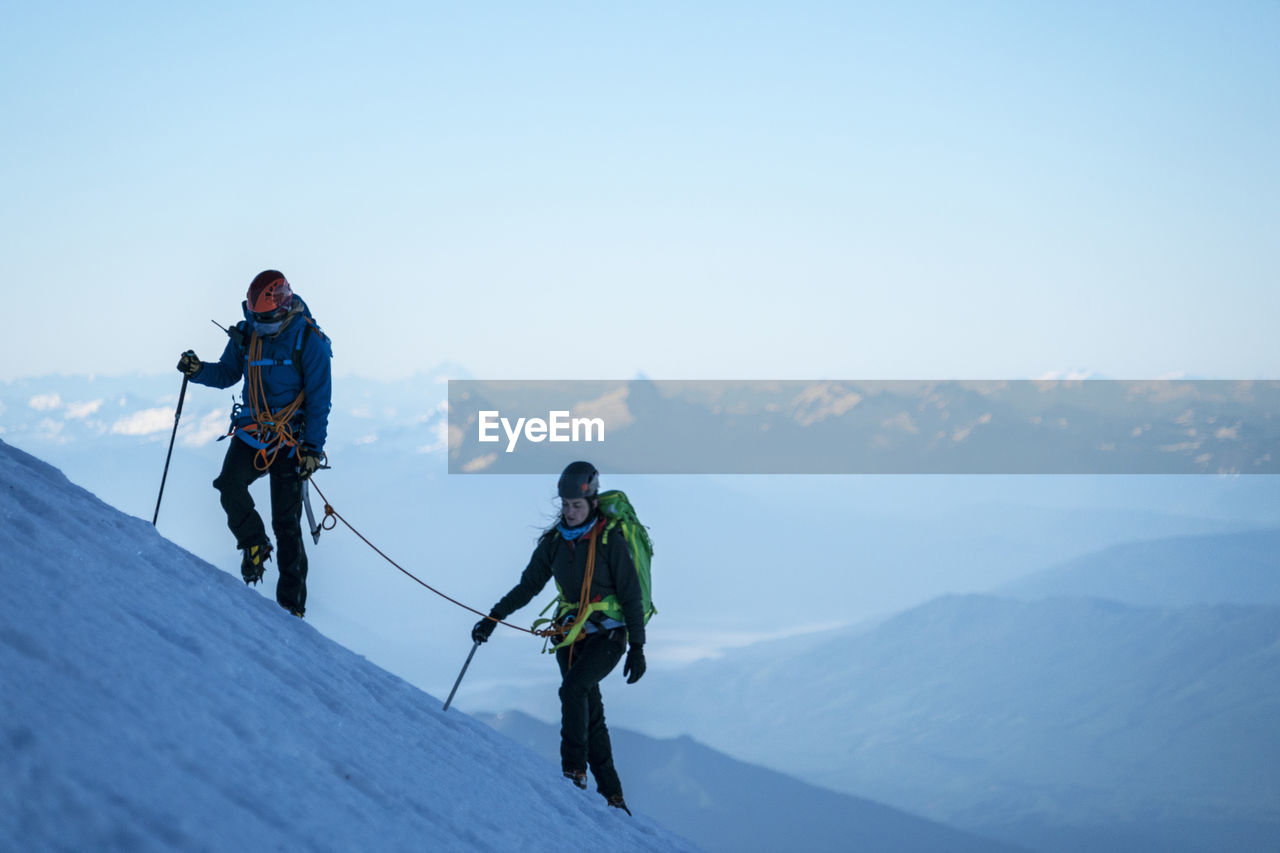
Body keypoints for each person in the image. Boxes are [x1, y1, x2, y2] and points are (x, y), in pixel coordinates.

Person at [472, 461, 646, 814]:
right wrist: (494, 617)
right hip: (570, 636)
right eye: (564, 504)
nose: (568, 511)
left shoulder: (610, 540)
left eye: (576, 505)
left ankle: (573, 771)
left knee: (573, 690)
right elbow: (528, 586)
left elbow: (631, 596)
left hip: (610, 636)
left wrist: (637, 647)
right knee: (590, 712)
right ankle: (613, 796)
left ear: (593, 503)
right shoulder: (553, 542)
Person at [176, 270, 333, 617]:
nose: (260, 325)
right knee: (229, 486)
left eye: (265, 319)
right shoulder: (248, 332)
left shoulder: (310, 340)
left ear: (284, 307)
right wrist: (198, 370)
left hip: (290, 440)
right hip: (253, 431)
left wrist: (312, 448)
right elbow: (228, 373)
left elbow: (320, 400)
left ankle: (291, 608)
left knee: (287, 524)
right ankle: (254, 543)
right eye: (256, 318)